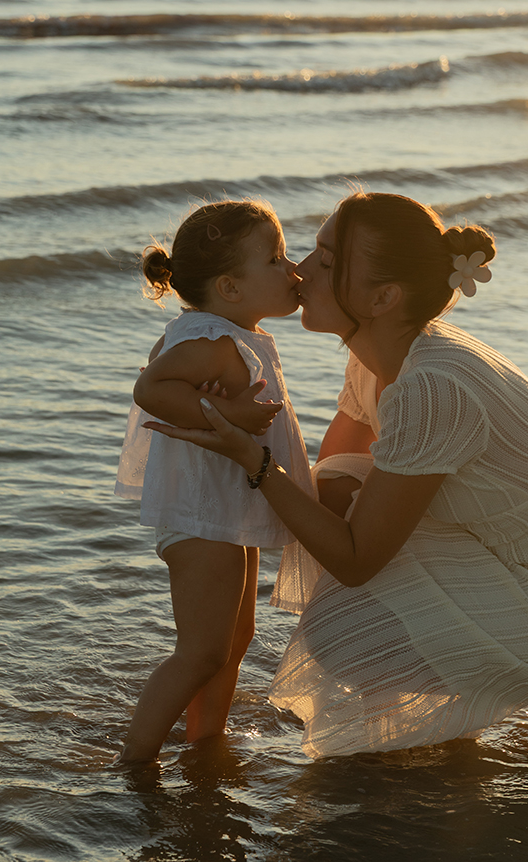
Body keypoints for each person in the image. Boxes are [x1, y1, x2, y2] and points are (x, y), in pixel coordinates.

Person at [144, 191, 528, 759]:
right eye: (310, 250)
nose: (300, 270)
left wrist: (254, 461)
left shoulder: (432, 387)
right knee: (332, 491)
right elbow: (323, 488)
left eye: (328, 261)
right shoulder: (378, 359)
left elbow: (356, 561)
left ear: (383, 297)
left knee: (342, 634)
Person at [113, 200, 313, 765]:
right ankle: (134, 761)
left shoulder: (232, 333)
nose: (293, 268)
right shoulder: (208, 336)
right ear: (229, 286)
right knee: (200, 650)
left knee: (236, 636)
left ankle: (206, 740)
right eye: (275, 258)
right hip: (201, 516)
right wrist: (224, 416)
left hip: (224, 512)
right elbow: (151, 389)